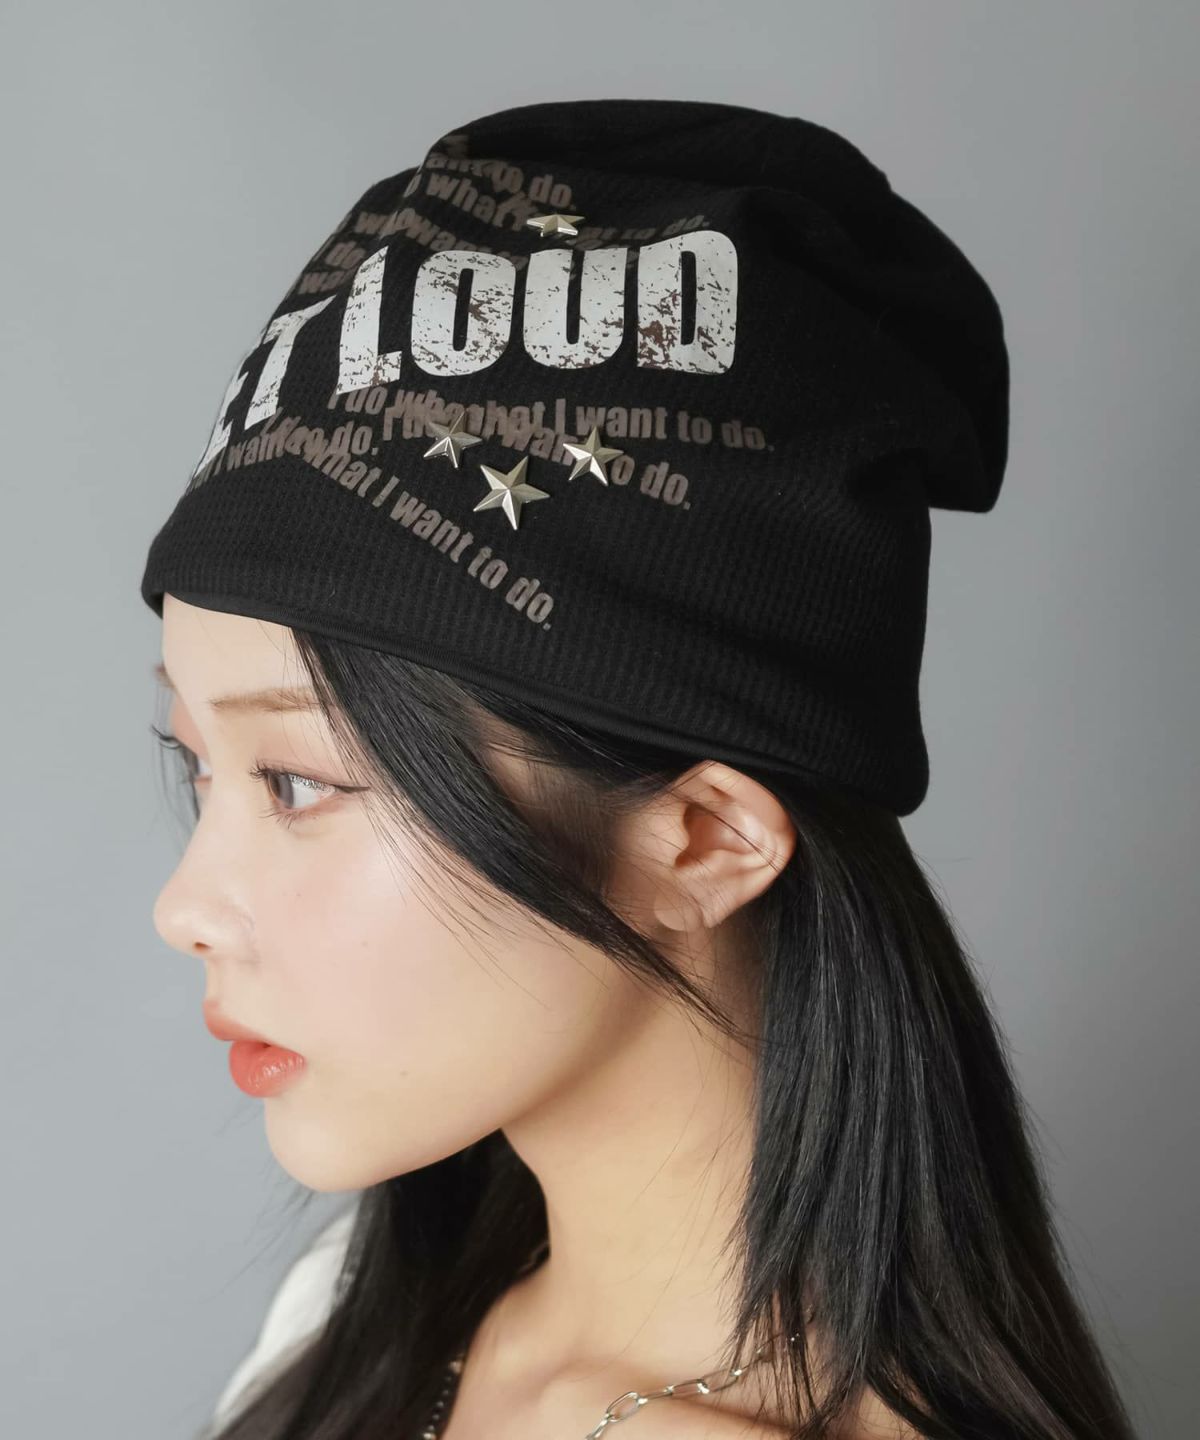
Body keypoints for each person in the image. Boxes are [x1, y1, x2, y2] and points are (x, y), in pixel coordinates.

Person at [141, 98, 1138, 1440]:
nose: (185, 909)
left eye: (297, 782)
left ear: (707, 839)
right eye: (197, 766)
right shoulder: (351, 1322)